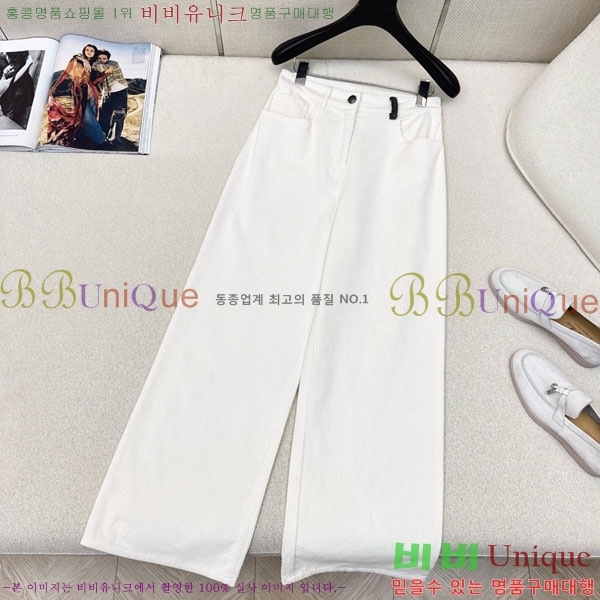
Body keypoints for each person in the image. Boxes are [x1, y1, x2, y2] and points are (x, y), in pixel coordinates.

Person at [46, 44, 106, 148]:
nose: (89, 52)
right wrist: (83, 60)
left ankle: (85, 137)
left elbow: (98, 78)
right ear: (84, 51)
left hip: (93, 94)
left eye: (92, 51)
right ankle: (100, 140)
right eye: (87, 50)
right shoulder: (78, 61)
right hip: (80, 94)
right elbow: (68, 70)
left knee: (91, 116)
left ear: (95, 53)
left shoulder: (96, 64)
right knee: (86, 117)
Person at [92, 49, 128, 146]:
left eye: (104, 58)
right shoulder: (98, 64)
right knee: (103, 114)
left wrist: (97, 65)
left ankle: (114, 140)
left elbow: (101, 68)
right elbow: (96, 67)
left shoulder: (114, 64)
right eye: (99, 58)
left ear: (108, 58)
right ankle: (102, 136)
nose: (102, 60)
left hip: (120, 92)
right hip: (107, 93)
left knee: (118, 116)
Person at [0, 52, 35, 128]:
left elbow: (28, 105)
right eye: (10, 65)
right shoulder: (3, 81)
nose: (10, 68)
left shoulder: (25, 81)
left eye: (13, 66)